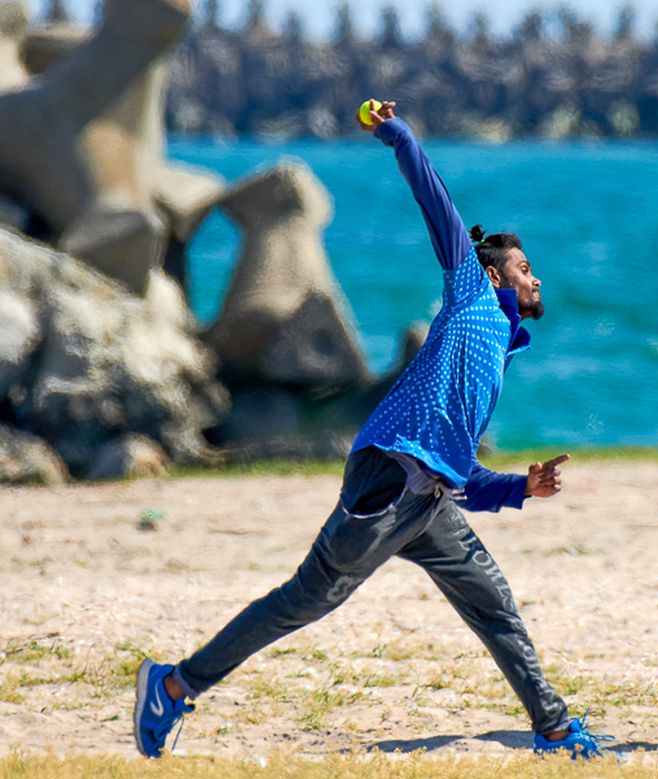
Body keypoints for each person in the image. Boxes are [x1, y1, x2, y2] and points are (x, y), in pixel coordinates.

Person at [133, 100, 615, 760]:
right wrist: (400, 134)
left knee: (494, 603)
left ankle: (554, 729)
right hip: (387, 480)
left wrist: (520, 488)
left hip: (428, 499)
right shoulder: (472, 292)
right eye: (526, 267)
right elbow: (436, 200)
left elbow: (460, 476)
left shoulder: (497, 348)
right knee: (301, 602)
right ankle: (173, 683)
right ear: (496, 272)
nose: (536, 277)